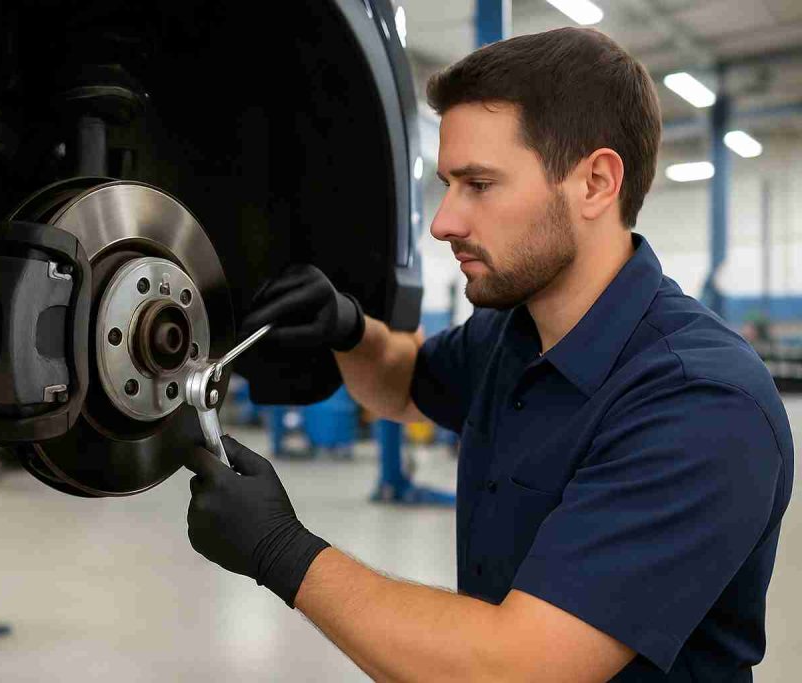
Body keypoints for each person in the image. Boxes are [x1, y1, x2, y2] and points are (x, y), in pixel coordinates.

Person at [183, 27, 793, 682]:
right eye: (449, 183)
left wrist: (283, 550)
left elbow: (516, 667)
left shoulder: (702, 401)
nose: (444, 221)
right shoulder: (512, 330)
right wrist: (349, 329)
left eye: (478, 184)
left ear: (595, 182)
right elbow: (403, 382)